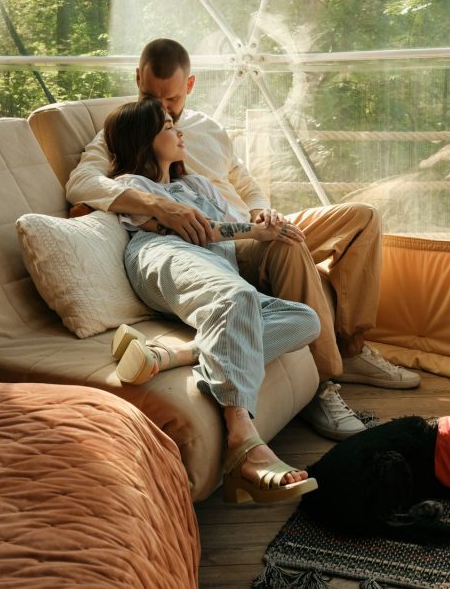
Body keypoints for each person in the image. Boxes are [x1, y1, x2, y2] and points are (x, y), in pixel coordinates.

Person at [67, 38, 420, 441]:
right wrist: (163, 206)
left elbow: (244, 181)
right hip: (223, 242)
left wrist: (259, 212)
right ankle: (322, 384)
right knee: (286, 245)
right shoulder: (128, 129)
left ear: (191, 85)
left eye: (173, 100)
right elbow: (82, 182)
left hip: (245, 224)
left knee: (360, 218)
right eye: (152, 97)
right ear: (137, 81)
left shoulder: (206, 129)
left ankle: (351, 347)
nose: (164, 109)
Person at [104, 97, 321, 504]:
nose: (179, 131)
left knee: (305, 320)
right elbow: (199, 232)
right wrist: (254, 233)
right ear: (143, 138)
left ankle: (170, 356)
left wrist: (264, 222)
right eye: (168, 125)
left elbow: (232, 231)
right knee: (236, 297)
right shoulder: (133, 188)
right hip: (164, 257)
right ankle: (244, 440)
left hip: (215, 271)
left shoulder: (198, 184)